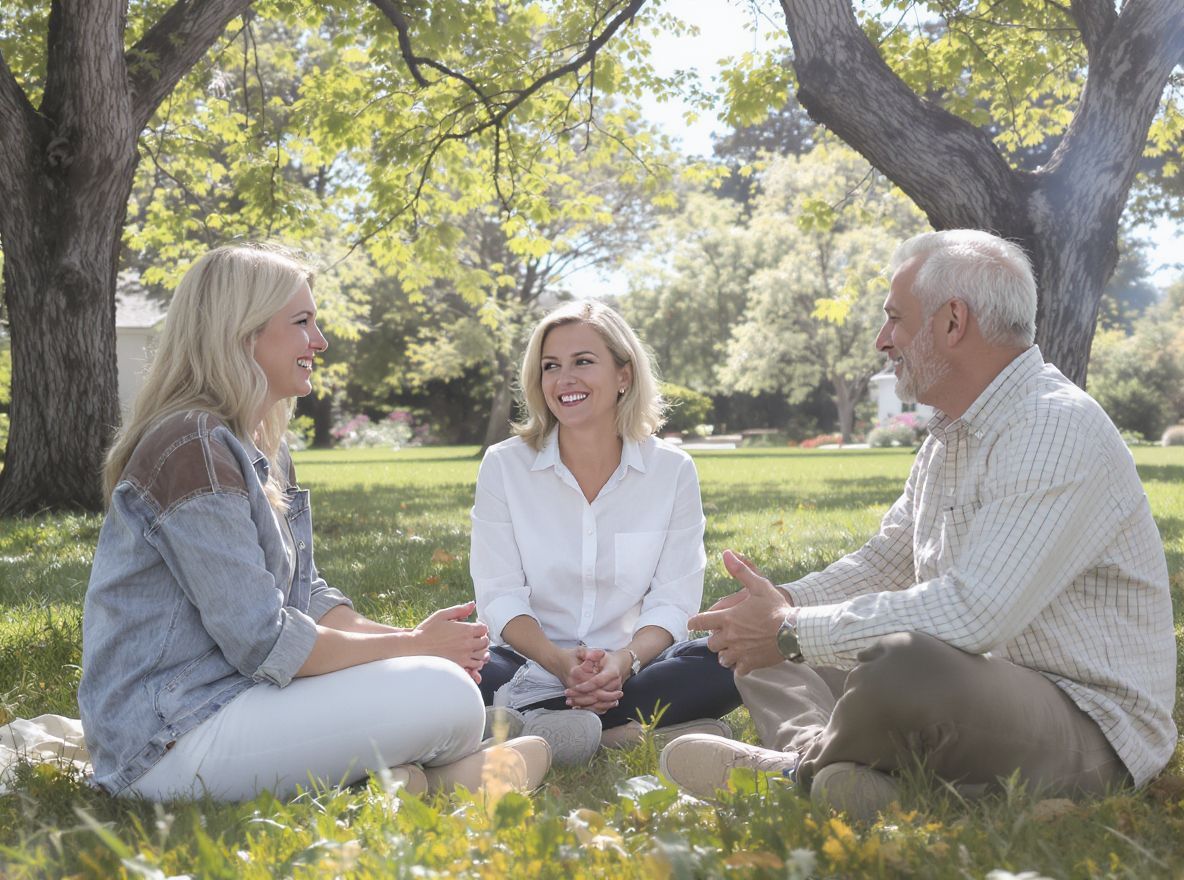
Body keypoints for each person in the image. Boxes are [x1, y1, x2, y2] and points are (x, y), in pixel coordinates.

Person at [660, 230, 1178, 818]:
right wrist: (775, 607)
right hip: (974, 695)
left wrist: (791, 628)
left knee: (904, 664)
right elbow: (885, 561)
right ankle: (856, 779)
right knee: (770, 657)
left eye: (895, 320)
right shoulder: (950, 435)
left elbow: (974, 612)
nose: (883, 341)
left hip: (1086, 724)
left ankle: (795, 770)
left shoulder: (1053, 427)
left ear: (953, 321)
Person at [78, 244, 550, 800]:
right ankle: (429, 777)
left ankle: (409, 783)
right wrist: (413, 646)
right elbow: (266, 642)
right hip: (167, 741)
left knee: (442, 686)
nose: (319, 341)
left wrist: (412, 640)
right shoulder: (192, 447)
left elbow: (308, 598)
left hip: (236, 700)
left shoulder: (259, 444)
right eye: (302, 322)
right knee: (445, 696)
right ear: (243, 332)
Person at [470, 300, 742, 764]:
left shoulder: (672, 470)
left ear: (624, 375)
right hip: (524, 663)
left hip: (631, 672)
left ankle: (538, 728)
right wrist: (559, 663)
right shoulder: (504, 465)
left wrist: (622, 662)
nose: (564, 379)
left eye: (583, 362)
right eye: (551, 366)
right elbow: (499, 594)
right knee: (451, 670)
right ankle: (622, 734)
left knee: (731, 661)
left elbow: (674, 599)